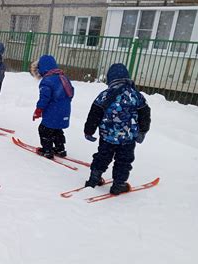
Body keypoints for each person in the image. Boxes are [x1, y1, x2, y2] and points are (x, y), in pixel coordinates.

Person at [84, 63, 151, 195]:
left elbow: (94, 114)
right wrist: (143, 131)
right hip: (127, 138)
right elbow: (145, 114)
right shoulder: (136, 95)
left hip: (107, 136)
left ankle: (94, 178)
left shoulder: (104, 95)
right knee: (123, 161)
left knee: (102, 156)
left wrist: (89, 130)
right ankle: (119, 184)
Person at [32, 55, 74, 159]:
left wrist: (38, 110)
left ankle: (47, 150)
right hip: (64, 109)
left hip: (53, 110)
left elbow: (44, 98)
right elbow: (71, 92)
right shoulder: (63, 77)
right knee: (57, 129)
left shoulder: (47, 81)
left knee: (44, 129)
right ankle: (60, 149)